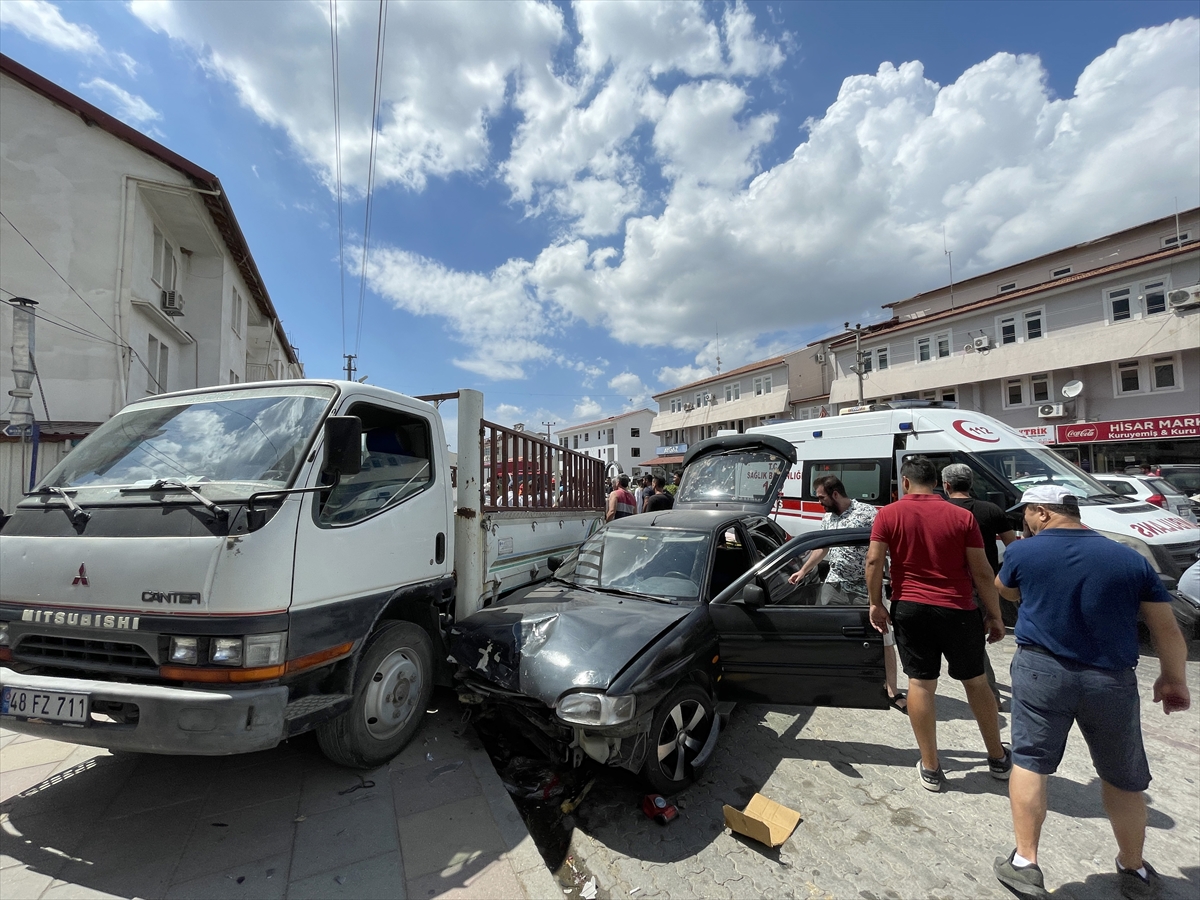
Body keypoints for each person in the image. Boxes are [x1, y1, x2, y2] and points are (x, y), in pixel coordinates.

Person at [992, 485, 1190, 900]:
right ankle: (1132, 866)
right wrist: (1173, 678)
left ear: (1042, 513)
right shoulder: (1129, 559)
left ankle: (1026, 863)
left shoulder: (1023, 553)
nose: (1023, 522)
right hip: (1110, 679)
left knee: (1030, 761)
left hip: (1041, 672)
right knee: (1122, 775)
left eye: (1026, 514)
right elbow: (1166, 629)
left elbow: (1005, 589)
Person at [865, 456, 1010, 792]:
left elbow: (873, 560)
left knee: (920, 685)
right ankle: (998, 757)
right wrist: (994, 614)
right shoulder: (962, 516)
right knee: (976, 683)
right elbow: (983, 571)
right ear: (937, 483)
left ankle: (931, 767)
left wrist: (875, 604)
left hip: (910, 609)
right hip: (958, 609)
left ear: (904, 482)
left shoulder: (888, 514)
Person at [788, 475, 906, 712]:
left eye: (821, 497)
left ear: (834, 494)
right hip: (835, 584)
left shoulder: (868, 513)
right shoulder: (828, 518)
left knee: (882, 637)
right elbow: (822, 548)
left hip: (867, 587)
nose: (819, 501)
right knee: (828, 634)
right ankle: (833, 682)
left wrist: (893, 575)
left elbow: (888, 548)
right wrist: (803, 570)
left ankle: (892, 690)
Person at [942, 463, 1020, 705]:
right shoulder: (991, 509)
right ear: (971, 483)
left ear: (946, 485)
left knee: (973, 642)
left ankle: (990, 696)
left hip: (957, 586)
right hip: (992, 582)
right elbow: (1014, 549)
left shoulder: (941, 511)